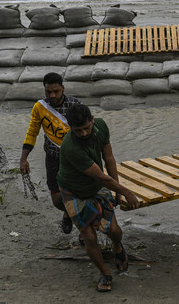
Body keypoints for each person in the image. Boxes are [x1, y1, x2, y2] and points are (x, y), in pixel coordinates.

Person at [57, 104, 139, 292]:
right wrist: (126, 191)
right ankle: (105, 273)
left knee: (114, 231)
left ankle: (117, 247)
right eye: (78, 131)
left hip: (96, 187)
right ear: (70, 127)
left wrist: (118, 192)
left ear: (92, 119)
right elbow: (101, 176)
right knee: (90, 238)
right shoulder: (70, 147)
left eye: (87, 127)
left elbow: (109, 159)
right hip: (73, 191)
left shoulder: (101, 126)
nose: (84, 133)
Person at [20, 72, 82, 234]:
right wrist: (24, 158)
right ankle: (69, 213)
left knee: (79, 195)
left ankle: (84, 228)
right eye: (48, 92)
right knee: (56, 199)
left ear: (63, 89)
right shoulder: (40, 107)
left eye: (56, 91)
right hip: (53, 158)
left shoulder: (76, 105)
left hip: (75, 159)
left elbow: (87, 133)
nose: (52, 95)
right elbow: (32, 132)